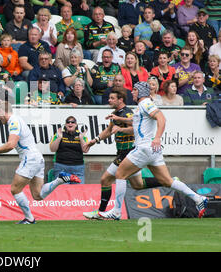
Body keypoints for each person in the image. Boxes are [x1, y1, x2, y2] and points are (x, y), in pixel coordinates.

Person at [98, 82, 209, 220]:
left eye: (134, 90)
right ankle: (198, 198)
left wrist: (157, 137)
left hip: (144, 148)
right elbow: (136, 120)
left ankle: (116, 212)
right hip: (152, 152)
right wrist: (118, 118)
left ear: (140, 92)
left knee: (120, 174)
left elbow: (161, 118)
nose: (131, 93)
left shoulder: (146, 104)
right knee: (168, 181)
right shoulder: (141, 107)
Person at [0, 101, 79, 224]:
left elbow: (11, 144)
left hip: (29, 158)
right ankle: (60, 179)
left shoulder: (13, 121)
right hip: (37, 158)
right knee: (38, 195)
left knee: (15, 189)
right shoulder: (17, 120)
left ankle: (29, 218)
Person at [83, 87, 163, 219]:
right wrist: (93, 141)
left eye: (112, 98)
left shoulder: (127, 113)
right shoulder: (116, 114)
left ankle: (100, 212)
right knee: (138, 184)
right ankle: (166, 180)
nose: (109, 100)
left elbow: (135, 130)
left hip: (128, 152)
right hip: (123, 151)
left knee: (106, 179)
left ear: (120, 100)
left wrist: (120, 129)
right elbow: (108, 131)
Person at [50, 115, 89, 183]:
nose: (70, 123)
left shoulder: (81, 135)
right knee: (63, 191)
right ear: (65, 125)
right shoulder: (59, 134)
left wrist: (81, 139)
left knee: (78, 191)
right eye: (68, 122)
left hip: (78, 168)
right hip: (61, 167)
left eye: (72, 122)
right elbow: (52, 149)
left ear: (76, 124)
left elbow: (85, 150)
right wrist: (59, 138)